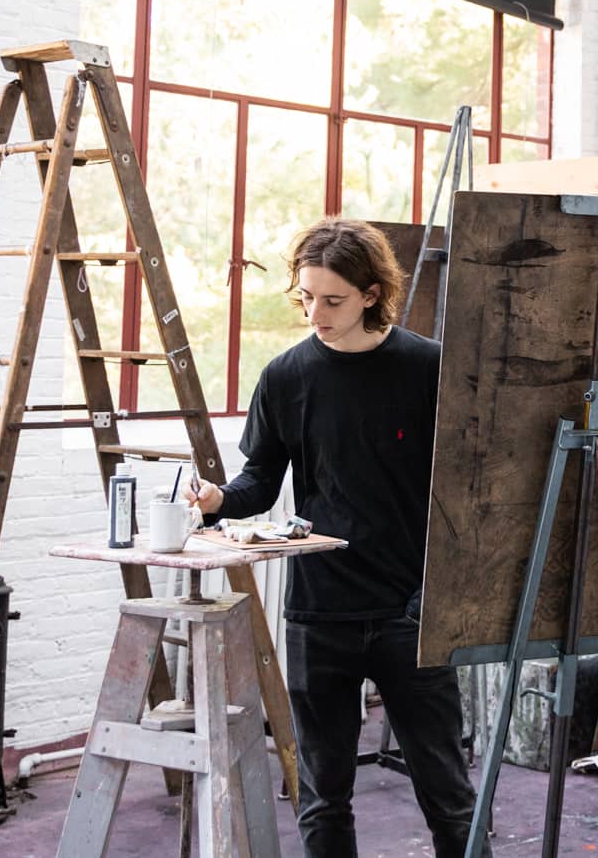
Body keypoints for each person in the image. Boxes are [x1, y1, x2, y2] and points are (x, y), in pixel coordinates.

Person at [185, 218, 477, 858]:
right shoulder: (287, 376)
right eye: (307, 297)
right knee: (322, 796)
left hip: (413, 610)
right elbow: (260, 481)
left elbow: (470, 485)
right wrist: (216, 501)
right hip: (321, 613)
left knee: (449, 792)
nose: (316, 312)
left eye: (333, 300)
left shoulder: (430, 369)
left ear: (373, 293)